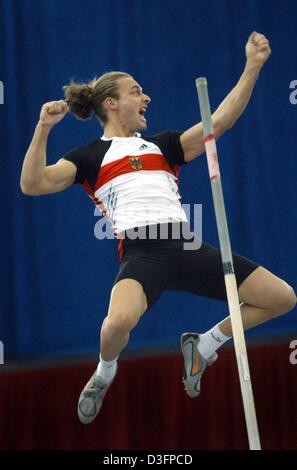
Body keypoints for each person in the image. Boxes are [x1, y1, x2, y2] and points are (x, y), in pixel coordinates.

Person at [21, 32, 296, 425]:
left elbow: (220, 120)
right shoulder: (88, 157)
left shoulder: (163, 146)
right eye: (137, 91)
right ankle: (105, 371)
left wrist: (252, 67)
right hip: (142, 253)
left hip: (187, 247)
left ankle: (204, 345)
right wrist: (43, 129)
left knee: (282, 298)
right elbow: (32, 184)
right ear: (111, 103)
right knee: (116, 324)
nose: (146, 97)